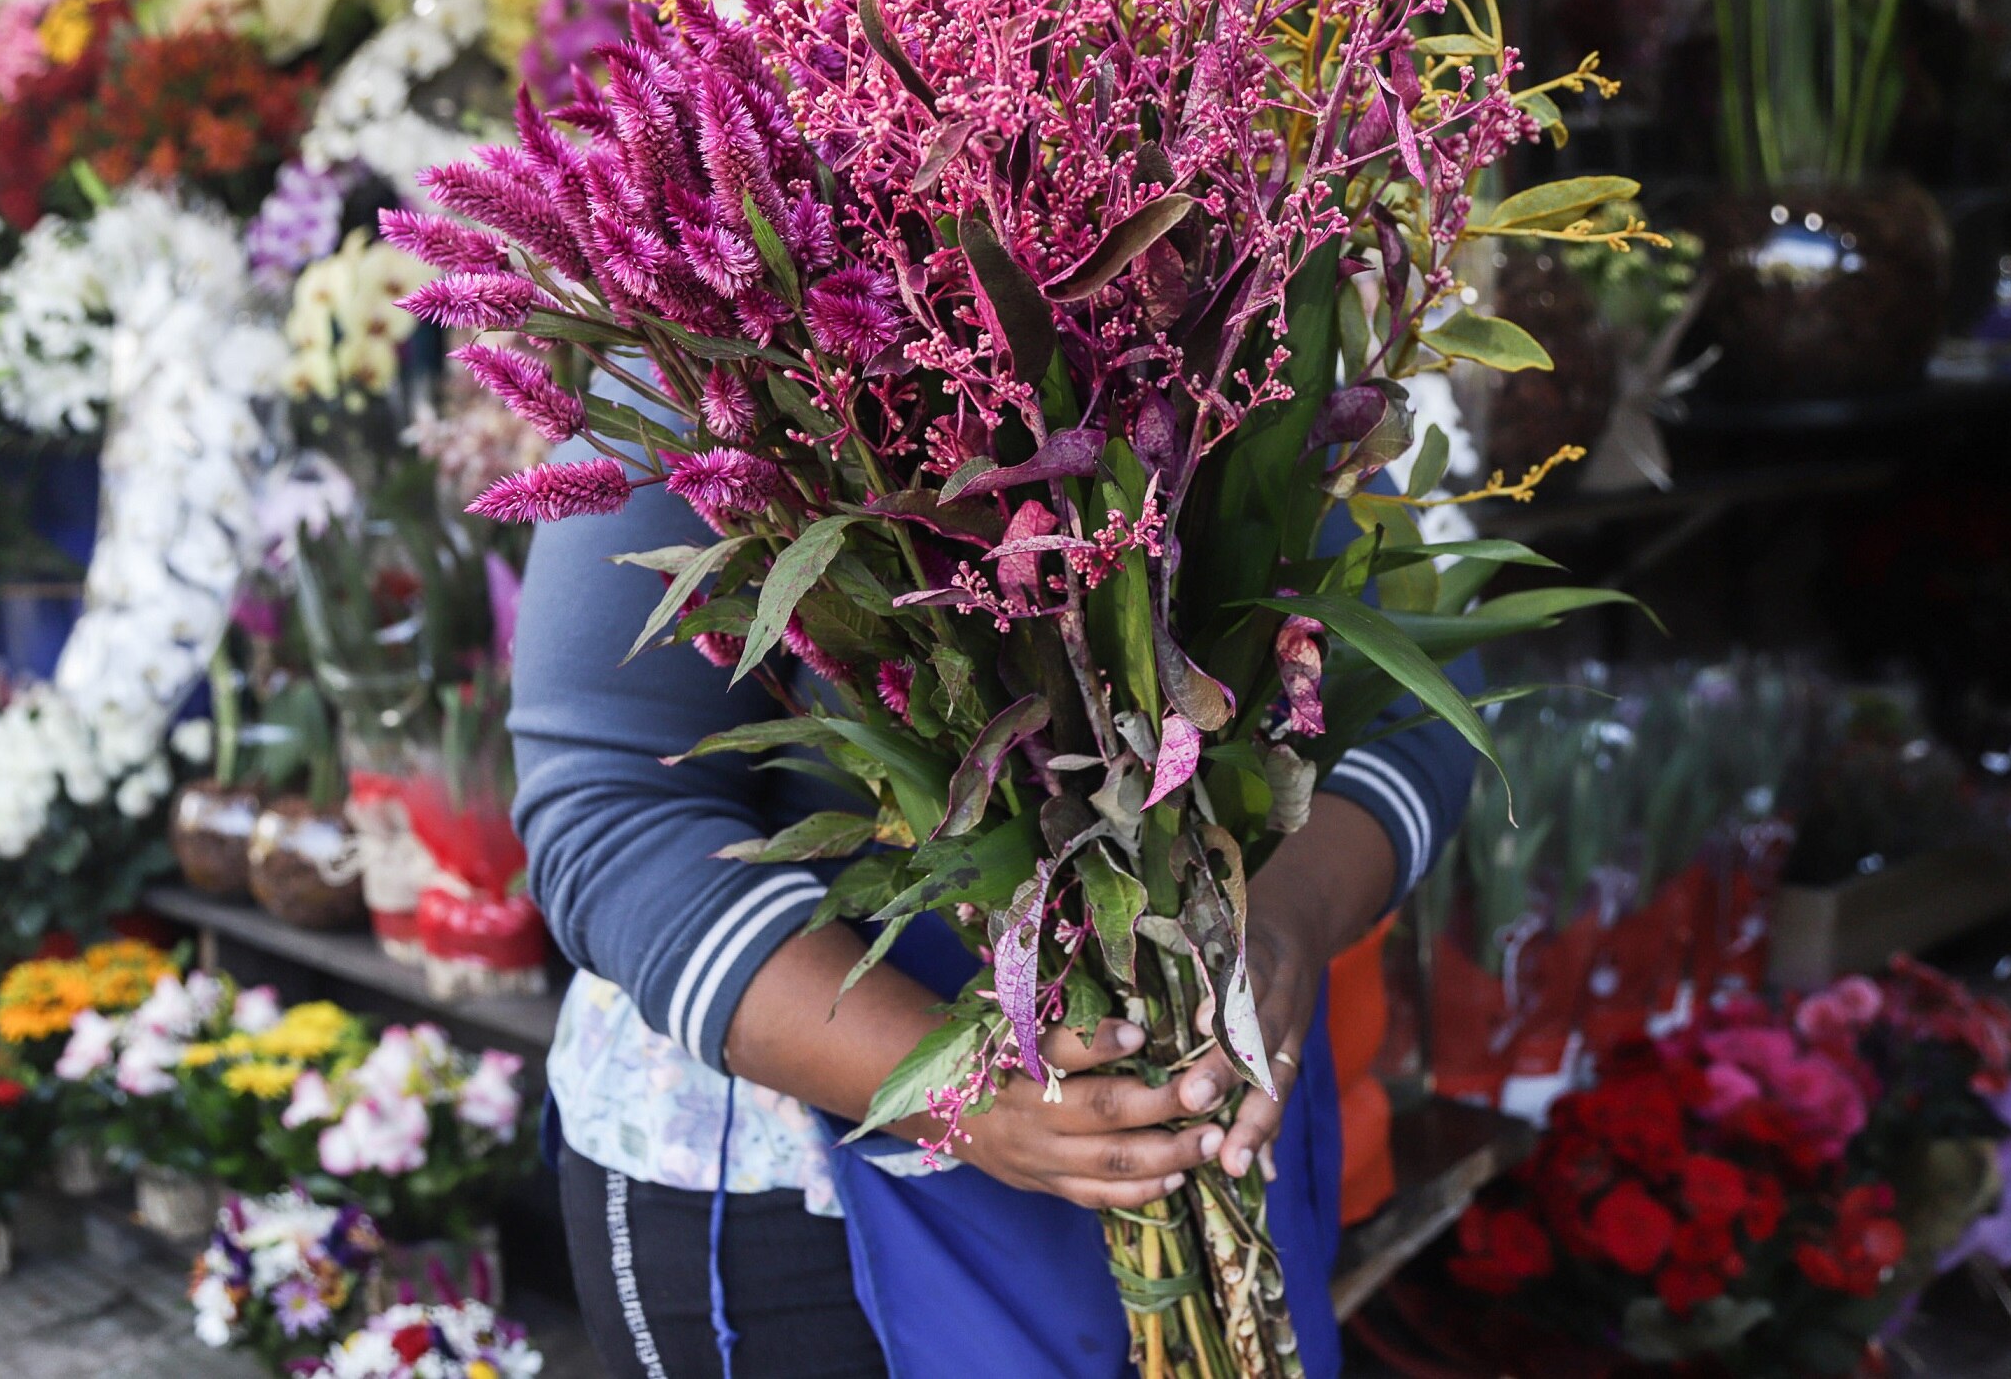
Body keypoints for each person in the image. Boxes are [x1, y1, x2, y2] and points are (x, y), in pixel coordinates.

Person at [512, 460, 1479, 1379]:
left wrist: (1283, 922)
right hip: (805, 1197)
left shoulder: (1253, 300)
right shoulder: (687, 347)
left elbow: (1411, 686)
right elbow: (609, 818)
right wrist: (959, 1094)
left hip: (1197, 1131)